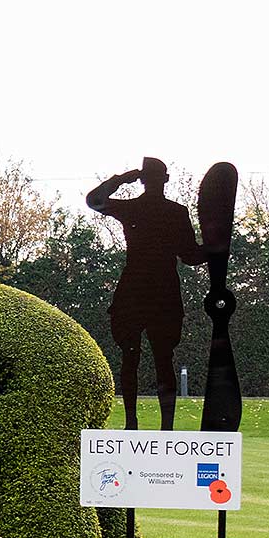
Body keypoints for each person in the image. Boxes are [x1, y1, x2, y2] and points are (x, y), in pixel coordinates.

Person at [87, 157, 203, 430]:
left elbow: (95, 200)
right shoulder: (174, 212)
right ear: (165, 178)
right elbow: (190, 255)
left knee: (135, 358)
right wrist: (215, 248)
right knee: (160, 358)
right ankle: (163, 427)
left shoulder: (135, 209)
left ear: (142, 179)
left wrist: (120, 179)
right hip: (158, 290)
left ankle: (134, 422)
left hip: (138, 288)